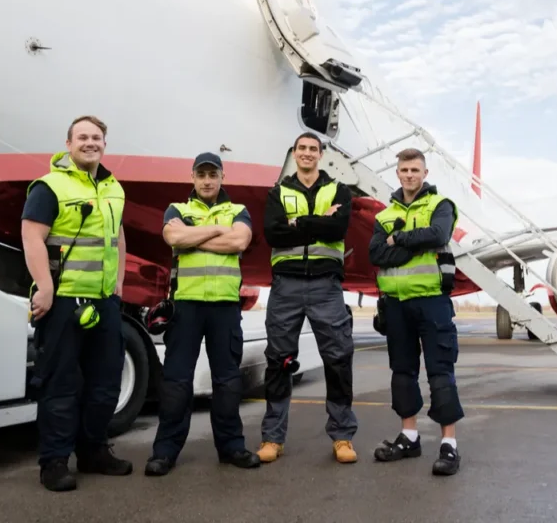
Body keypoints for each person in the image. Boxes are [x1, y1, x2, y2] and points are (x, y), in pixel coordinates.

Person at [22, 114, 133, 492]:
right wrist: (45, 288)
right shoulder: (49, 187)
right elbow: (32, 236)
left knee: (105, 385)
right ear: (68, 144)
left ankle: (93, 452)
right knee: (60, 384)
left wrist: (118, 284)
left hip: (104, 302)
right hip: (64, 301)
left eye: (97, 137)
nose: (90, 142)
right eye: (82, 137)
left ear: (105, 144)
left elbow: (116, 237)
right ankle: (53, 462)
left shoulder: (114, 189)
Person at [145, 152, 263, 475]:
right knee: (176, 382)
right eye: (202, 175)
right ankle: (165, 451)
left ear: (222, 177)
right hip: (186, 307)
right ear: (193, 178)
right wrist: (216, 231)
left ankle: (231, 447)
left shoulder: (238, 211)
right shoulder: (178, 210)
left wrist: (195, 235)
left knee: (227, 382)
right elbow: (174, 237)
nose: (208, 180)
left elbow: (240, 241)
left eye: (213, 175)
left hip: (225, 307)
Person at [256, 132, 358, 464]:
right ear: (294, 153)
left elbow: (338, 229)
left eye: (313, 149)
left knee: (338, 359)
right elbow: (273, 232)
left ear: (321, 155)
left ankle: (342, 437)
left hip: (326, 285)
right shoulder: (278, 191)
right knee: (278, 361)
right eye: (302, 149)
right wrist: (318, 221)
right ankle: (273, 438)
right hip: (286, 284)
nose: (307, 154)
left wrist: (297, 222)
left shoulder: (339, 190)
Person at [367, 147, 463, 476]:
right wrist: (411, 245)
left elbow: (438, 234)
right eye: (404, 170)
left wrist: (399, 239)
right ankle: (409, 436)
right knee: (403, 372)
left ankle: (449, 445)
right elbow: (377, 254)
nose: (409, 175)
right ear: (397, 174)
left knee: (440, 371)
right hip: (395, 304)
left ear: (425, 173)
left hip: (431, 300)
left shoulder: (441, 206)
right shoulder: (383, 214)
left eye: (415, 170)